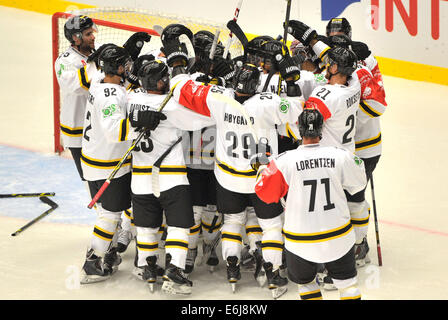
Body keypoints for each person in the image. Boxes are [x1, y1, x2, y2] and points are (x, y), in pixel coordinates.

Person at [162, 26, 305, 298]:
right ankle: (274, 274)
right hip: (261, 178)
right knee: (271, 226)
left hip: (228, 178)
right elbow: (297, 107)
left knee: (232, 221)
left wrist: (178, 60)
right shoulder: (267, 102)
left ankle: (232, 266)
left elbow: (181, 89)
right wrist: (290, 75)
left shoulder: (221, 99)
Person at [254, 108, 367, 300]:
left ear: (300, 129)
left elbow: (265, 193)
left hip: (300, 241)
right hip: (338, 236)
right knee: (348, 286)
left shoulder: (284, 161)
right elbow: (358, 183)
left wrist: (262, 170)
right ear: (321, 129)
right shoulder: (340, 155)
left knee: (306, 286)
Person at [126, 59, 215, 295]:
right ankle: (174, 270)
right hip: (171, 177)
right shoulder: (173, 107)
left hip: (141, 177)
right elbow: (207, 117)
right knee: (178, 227)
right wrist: (202, 89)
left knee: (146, 227)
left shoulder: (131, 99)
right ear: (160, 80)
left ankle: (146, 266)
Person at [79, 45, 163, 284]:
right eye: (123, 64)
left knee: (110, 213)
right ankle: (93, 263)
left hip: (93, 159)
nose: (127, 68)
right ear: (114, 68)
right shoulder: (111, 94)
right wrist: (140, 120)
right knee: (110, 214)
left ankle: (107, 255)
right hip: (108, 164)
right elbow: (115, 130)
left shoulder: (99, 81)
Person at [55, 15, 98, 181]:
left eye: (92, 32)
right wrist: (96, 64)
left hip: (97, 125)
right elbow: (77, 86)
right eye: (88, 34)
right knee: (89, 179)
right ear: (76, 38)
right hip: (77, 128)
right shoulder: (64, 61)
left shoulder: (97, 49)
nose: (93, 36)